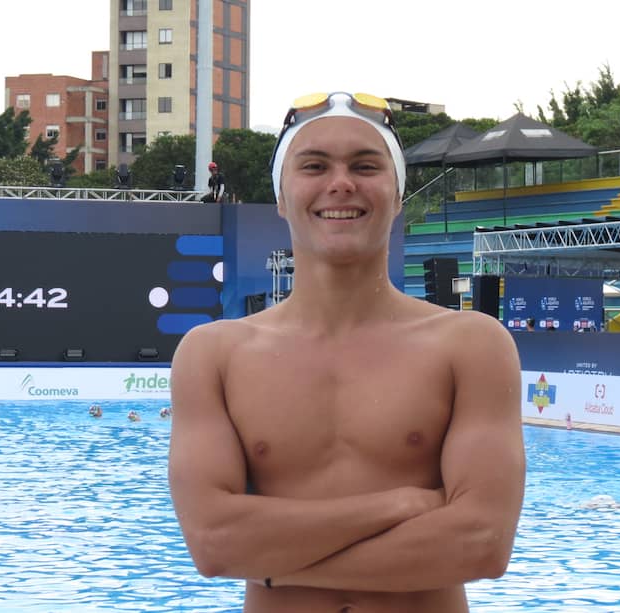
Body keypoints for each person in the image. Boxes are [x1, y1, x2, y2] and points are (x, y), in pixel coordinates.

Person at [168, 92, 525, 611]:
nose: (341, 183)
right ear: (282, 197)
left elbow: (480, 544)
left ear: (398, 195)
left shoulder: (471, 345)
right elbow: (215, 542)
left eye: (365, 166)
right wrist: (398, 504)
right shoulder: (214, 355)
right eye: (314, 166)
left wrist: (270, 566)